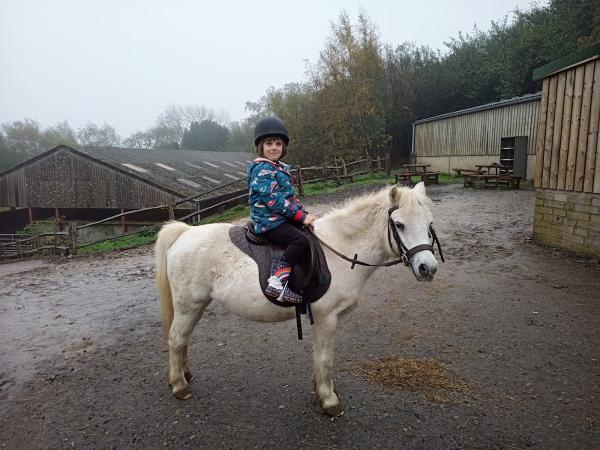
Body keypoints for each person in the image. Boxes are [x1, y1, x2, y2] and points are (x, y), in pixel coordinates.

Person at [247, 117, 316, 304]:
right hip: (268, 221)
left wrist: (303, 213)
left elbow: (290, 197)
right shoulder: (262, 169)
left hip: (279, 217)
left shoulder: (279, 168)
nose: (274, 147)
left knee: (308, 231)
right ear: (261, 147)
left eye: (278, 143)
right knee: (299, 239)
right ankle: (277, 281)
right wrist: (301, 217)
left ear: (283, 147)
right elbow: (275, 201)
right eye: (269, 143)